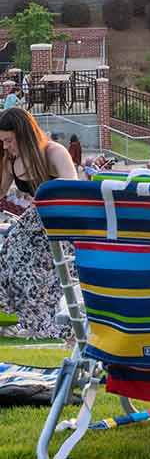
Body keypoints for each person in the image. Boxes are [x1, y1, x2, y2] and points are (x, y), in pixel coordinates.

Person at [0, 108, 79, 338]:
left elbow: (72, 191)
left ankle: (48, 326)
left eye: (9, 140)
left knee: (36, 274)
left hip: (60, 220)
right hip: (35, 221)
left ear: (23, 134)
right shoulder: (11, 160)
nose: (6, 146)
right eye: (2, 141)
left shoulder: (54, 152)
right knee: (8, 260)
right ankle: (32, 322)